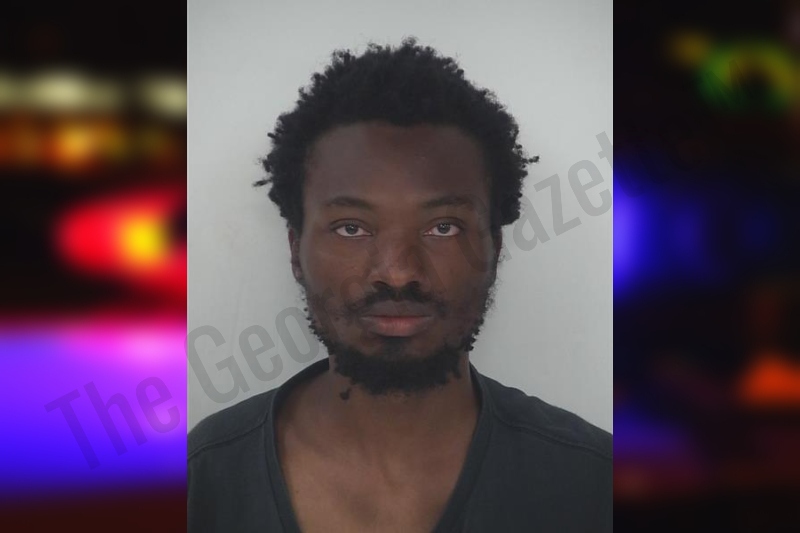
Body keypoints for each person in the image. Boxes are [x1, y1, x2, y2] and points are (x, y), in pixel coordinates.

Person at [188, 38, 611, 532]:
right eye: (351, 228)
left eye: (443, 227)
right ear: (295, 249)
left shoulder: (591, 483)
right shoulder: (203, 480)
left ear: (494, 247)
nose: (397, 272)